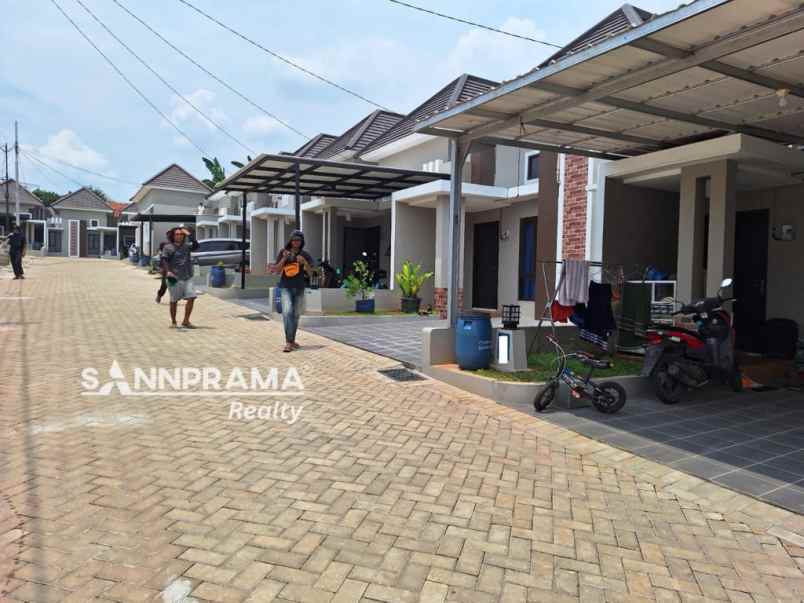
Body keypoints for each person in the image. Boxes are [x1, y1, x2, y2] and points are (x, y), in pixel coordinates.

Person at [269, 230, 313, 352]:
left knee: (296, 315)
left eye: (298, 240)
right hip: (286, 287)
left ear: (302, 241)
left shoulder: (305, 254)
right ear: (290, 241)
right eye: (294, 240)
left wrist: (304, 263)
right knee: (287, 312)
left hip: (299, 287)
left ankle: (292, 341)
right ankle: (288, 342)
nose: (296, 242)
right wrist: (284, 258)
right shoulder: (283, 252)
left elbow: (311, 274)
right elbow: (277, 270)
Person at [160, 226, 199, 328]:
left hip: (187, 276)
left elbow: (196, 245)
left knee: (192, 297)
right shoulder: (167, 247)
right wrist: (168, 271)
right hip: (173, 277)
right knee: (174, 300)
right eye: (177, 234)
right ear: (173, 236)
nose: (179, 236)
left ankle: (186, 321)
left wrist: (190, 235)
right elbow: (164, 260)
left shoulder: (186, 246)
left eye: (181, 234)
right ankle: (173, 322)